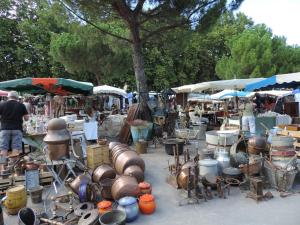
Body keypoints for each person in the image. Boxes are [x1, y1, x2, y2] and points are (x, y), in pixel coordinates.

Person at [0, 91, 29, 157]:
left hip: (5, 128)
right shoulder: (21, 105)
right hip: (17, 128)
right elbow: (26, 118)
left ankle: (3, 165)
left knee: (3, 148)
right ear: (17, 97)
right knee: (16, 148)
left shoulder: (2, 104)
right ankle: (13, 166)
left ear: (8, 97)